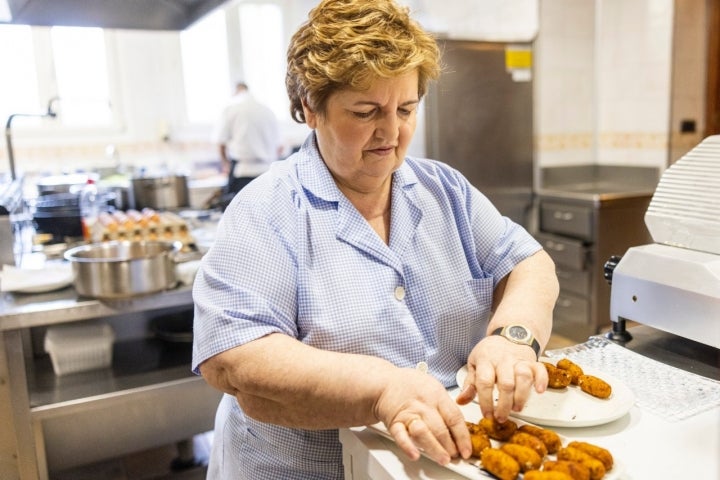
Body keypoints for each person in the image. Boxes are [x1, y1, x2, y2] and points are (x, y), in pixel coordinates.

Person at [192, 0, 559, 478]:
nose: (392, 131)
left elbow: (529, 264)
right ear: (311, 108)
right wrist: (381, 388)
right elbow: (236, 358)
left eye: (406, 108)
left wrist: (513, 339)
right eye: (366, 112)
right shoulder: (267, 211)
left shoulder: (444, 189)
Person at [213, 82, 282, 196]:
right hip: (268, 172)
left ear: (236, 91)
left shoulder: (232, 109)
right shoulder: (267, 111)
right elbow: (280, 147)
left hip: (243, 174)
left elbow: (220, 142)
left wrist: (226, 164)